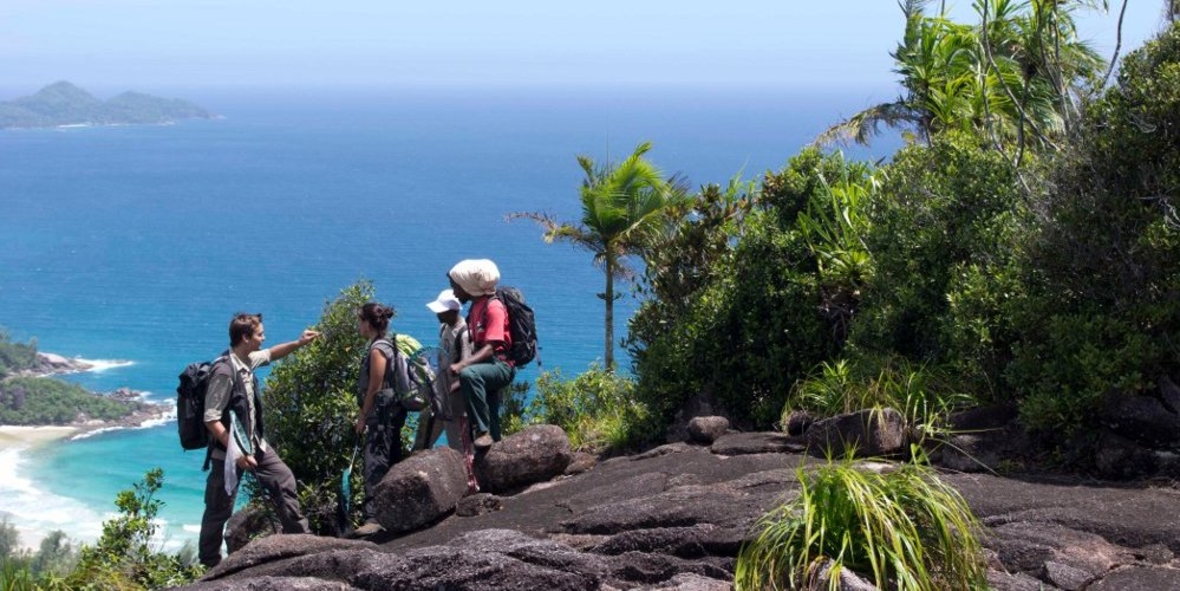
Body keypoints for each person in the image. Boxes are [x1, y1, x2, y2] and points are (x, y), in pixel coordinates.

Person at [199, 312, 318, 569]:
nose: (264, 337)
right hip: (228, 454)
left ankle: (300, 540)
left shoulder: (247, 360)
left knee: (283, 478)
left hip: (256, 445)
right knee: (219, 508)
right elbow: (211, 418)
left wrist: (299, 343)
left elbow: (272, 353)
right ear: (245, 337)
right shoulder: (224, 371)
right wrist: (237, 453)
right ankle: (210, 565)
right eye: (260, 334)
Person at [447, 259, 515, 450]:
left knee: (469, 374)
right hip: (486, 366)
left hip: (500, 366)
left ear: (469, 286)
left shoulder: (493, 307)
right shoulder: (476, 307)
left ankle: (481, 431)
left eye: (456, 287)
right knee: (491, 412)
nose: (454, 292)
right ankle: (493, 450)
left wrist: (463, 365)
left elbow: (491, 347)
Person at [352, 302, 407, 537]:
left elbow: (375, 385)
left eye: (359, 321)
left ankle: (374, 517)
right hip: (391, 412)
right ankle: (394, 512)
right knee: (391, 459)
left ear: (367, 323)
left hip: (381, 415)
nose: (358, 326)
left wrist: (362, 416)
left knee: (375, 463)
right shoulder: (387, 344)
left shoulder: (378, 349)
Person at [425, 289, 479, 491]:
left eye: (441, 311)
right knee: (430, 438)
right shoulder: (444, 329)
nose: (437, 314)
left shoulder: (464, 333)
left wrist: (451, 389)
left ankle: (471, 486)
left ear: (453, 311)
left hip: (458, 401)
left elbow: (467, 366)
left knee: (462, 446)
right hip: (443, 397)